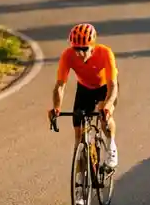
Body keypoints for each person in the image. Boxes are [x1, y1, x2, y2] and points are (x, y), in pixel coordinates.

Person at [48, 23, 119, 169]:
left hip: (105, 88)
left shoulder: (105, 53)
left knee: (104, 115)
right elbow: (60, 85)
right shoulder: (67, 55)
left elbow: (113, 86)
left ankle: (111, 147)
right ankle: (81, 175)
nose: (79, 53)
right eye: (76, 49)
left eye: (84, 49)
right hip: (84, 89)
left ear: (92, 46)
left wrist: (107, 106)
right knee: (78, 135)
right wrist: (56, 108)